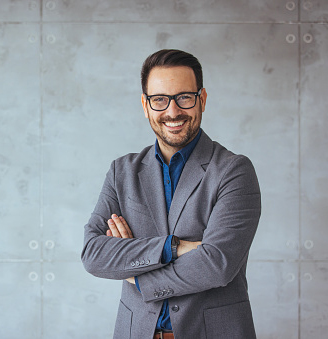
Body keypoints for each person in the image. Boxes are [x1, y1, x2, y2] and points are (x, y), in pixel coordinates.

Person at [81, 49, 261, 339]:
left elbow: (217, 264)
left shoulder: (234, 171)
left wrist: (135, 275)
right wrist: (174, 247)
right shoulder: (122, 172)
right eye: (160, 99)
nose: (173, 111)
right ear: (145, 104)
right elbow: (93, 254)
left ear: (201, 99)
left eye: (184, 97)